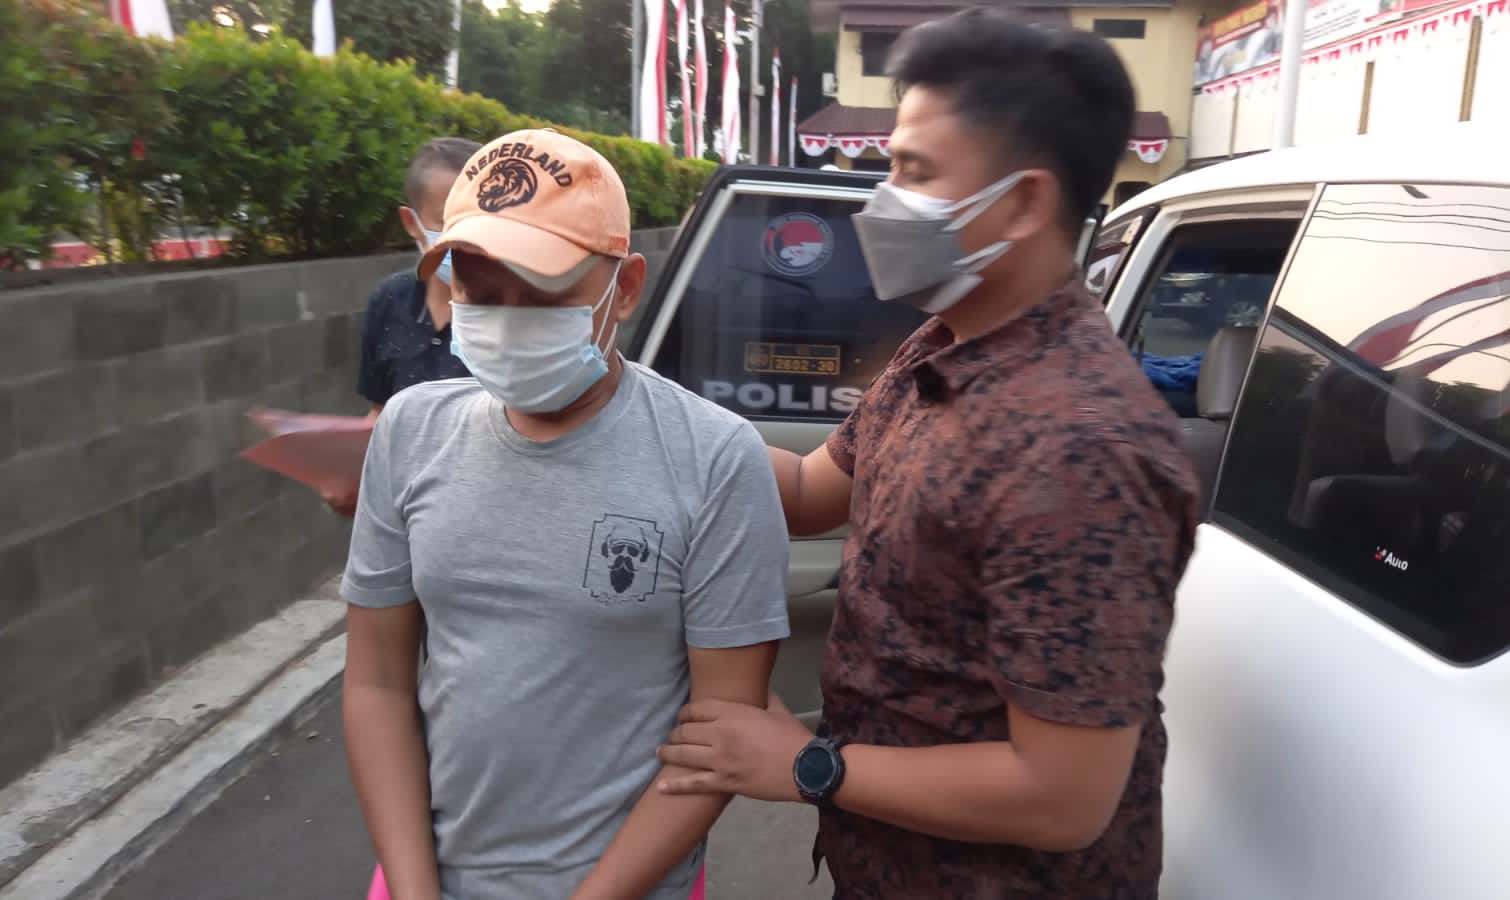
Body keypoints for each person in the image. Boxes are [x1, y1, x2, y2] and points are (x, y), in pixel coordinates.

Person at [655, 11, 1199, 899]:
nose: (882, 200)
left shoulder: (1081, 452)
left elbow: (1062, 798)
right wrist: (636, 408)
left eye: (914, 172)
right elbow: (810, 491)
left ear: (1023, 203)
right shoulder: (943, 346)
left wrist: (806, 764)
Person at [340, 128, 792, 900]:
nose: (507, 318)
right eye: (479, 292)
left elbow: (722, 731)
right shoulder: (410, 431)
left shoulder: (715, 459)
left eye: (544, 292)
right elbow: (377, 683)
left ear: (626, 287)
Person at [323, 136, 479, 516]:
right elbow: (381, 412)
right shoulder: (390, 300)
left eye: (480, 220)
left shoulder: (517, 309)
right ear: (412, 223)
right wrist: (351, 474)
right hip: (404, 515)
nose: (468, 237)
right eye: (449, 222)